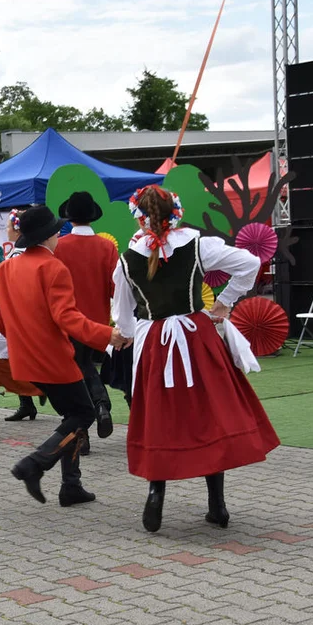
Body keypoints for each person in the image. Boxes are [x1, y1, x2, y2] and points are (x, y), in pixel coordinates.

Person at [112, 185, 279, 533]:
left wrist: (128, 334)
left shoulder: (126, 259)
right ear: (177, 211)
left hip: (156, 343)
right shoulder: (198, 244)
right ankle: (217, 505)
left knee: (161, 417)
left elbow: (123, 317)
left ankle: (156, 493)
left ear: (138, 216)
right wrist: (225, 302)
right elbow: (250, 263)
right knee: (209, 415)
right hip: (196, 337)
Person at [0, 207, 127, 507]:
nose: (60, 235)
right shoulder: (53, 268)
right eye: (57, 231)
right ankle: (35, 464)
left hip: (26, 357)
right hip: (53, 356)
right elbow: (67, 317)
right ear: (48, 236)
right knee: (83, 414)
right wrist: (106, 335)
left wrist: (13, 329)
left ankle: (71, 485)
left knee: (72, 414)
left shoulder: (8, 267)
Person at [54, 191, 120, 450]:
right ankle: (99, 408)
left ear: (69, 217)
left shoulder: (59, 247)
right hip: (99, 322)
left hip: (69, 321)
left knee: (75, 373)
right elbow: (116, 287)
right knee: (85, 367)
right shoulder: (107, 246)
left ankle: (90, 421)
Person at [0, 208, 45, 422]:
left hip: (18, 316)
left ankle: (37, 390)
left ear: (17, 231)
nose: (6, 231)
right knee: (9, 354)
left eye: (8, 227)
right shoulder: (18, 253)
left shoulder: (19, 255)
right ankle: (28, 400)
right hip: (17, 314)